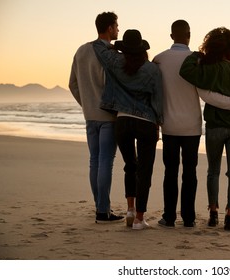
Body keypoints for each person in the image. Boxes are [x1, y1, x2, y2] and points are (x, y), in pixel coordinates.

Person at [153, 20, 230, 228]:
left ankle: (168, 217)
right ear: (189, 35)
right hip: (192, 126)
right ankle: (189, 218)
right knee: (190, 173)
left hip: (169, 125)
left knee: (170, 172)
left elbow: (155, 91)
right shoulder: (200, 62)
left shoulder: (159, 59)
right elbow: (205, 93)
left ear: (171, 35)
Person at [93, 29, 163, 230]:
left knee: (130, 165)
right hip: (146, 122)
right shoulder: (151, 69)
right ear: (142, 49)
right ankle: (140, 219)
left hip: (122, 121)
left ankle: (130, 209)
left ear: (124, 47)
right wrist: (159, 122)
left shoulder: (115, 61)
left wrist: (115, 47)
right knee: (145, 170)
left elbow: (97, 45)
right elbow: (157, 99)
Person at [180, 27, 230, 230]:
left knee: (213, 171)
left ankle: (213, 214)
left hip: (215, 126)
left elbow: (185, 71)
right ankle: (229, 217)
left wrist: (196, 55)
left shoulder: (208, 69)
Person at [69, 12, 124, 223]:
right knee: (105, 162)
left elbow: (72, 84)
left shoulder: (81, 50)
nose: (118, 30)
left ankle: (101, 207)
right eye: (116, 26)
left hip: (89, 115)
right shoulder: (109, 53)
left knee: (94, 161)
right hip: (108, 116)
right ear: (109, 28)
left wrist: (87, 104)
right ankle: (103, 211)